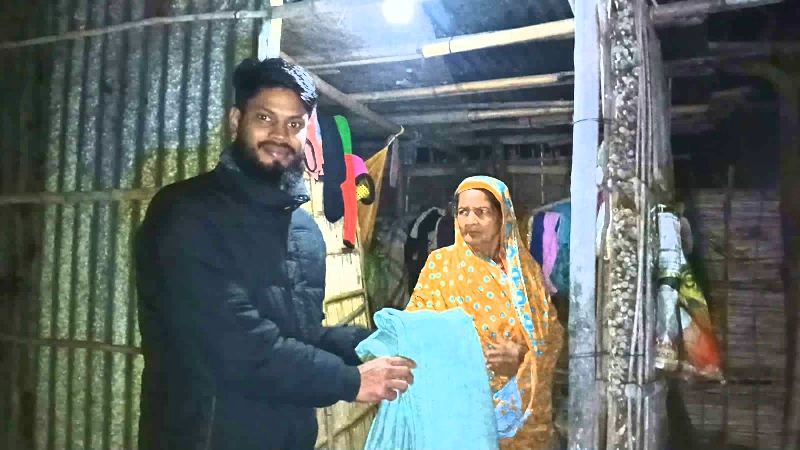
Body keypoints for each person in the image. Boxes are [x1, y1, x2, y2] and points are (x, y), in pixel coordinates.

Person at [134, 57, 415, 450]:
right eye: (265, 118)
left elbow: (302, 335)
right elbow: (234, 343)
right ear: (237, 120)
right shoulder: (185, 213)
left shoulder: (303, 231)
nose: (280, 135)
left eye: (294, 124)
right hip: (204, 436)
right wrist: (351, 381)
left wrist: (380, 342)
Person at [406, 176, 564, 450]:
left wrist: (524, 357)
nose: (470, 221)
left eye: (482, 212)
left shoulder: (526, 273)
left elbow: (552, 335)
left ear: (502, 217)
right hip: (461, 413)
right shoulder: (439, 266)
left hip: (523, 421)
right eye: (463, 212)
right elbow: (414, 332)